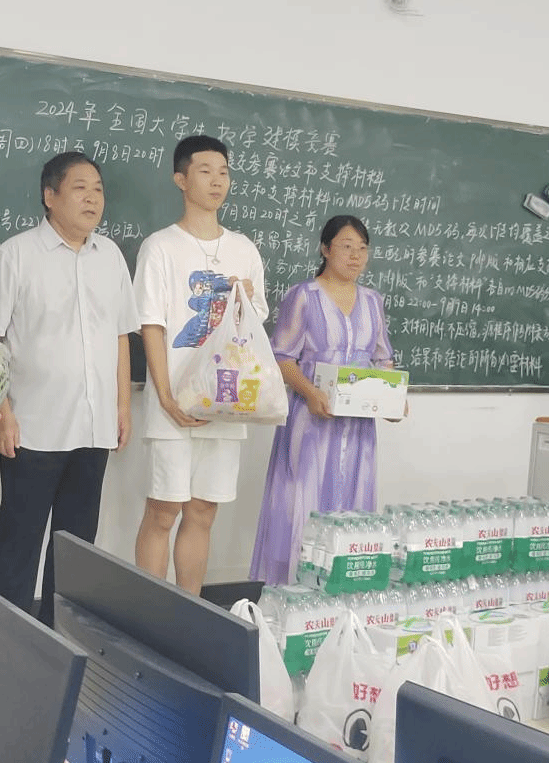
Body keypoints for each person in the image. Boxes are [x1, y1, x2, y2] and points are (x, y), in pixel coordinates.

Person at [0, 152, 140, 627]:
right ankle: (3, 638)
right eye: (80, 188)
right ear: (50, 196)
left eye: (98, 189)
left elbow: (120, 336)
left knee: (76, 547)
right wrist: (2, 412)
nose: (93, 199)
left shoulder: (110, 256)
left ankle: (59, 636)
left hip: (94, 426)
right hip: (33, 425)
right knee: (18, 542)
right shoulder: (16, 255)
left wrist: (122, 406)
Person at [132, 135, 268, 595]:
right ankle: (149, 615)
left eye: (223, 172)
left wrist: (244, 301)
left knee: (203, 511)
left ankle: (187, 610)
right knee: (163, 510)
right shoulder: (160, 247)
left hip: (226, 401)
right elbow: (151, 324)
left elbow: (255, 328)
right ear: (180, 179)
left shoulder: (245, 249)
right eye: (205, 171)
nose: (217, 181)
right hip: (173, 399)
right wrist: (166, 397)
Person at [249, 215, 400, 585]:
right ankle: (291, 594)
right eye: (346, 246)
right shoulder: (304, 296)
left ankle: (343, 595)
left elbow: (383, 359)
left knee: (352, 511)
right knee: (301, 507)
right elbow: (281, 356)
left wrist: (394, 399)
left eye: (362, 248)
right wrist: (311, 392)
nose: (355, 256)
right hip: (310, 421)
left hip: (358, 430)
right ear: (325, 249)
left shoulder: (373, 302)